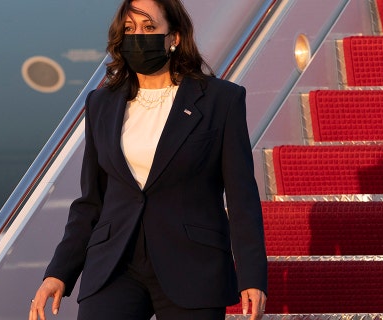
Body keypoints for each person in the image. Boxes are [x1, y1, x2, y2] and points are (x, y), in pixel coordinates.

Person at [28, 0, 267, 319]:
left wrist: (252, 276)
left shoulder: (221, 100)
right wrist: (59, 272)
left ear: (175, 37)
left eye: (149, 28)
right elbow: (91, 202)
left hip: (192, 264)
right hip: (114, 265)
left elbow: (241, 198)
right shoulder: (101, 103)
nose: (138, 36)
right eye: (129, 29)